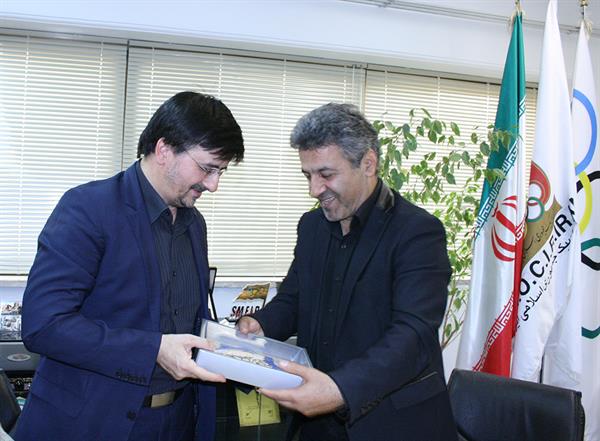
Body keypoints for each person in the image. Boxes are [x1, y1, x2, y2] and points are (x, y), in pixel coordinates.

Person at [15, 91, 244, 441]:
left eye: (221, 171)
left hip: (178, 421)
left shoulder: (194, 224)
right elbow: (43, 325)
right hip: (93, 423)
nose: (213, 185)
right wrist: (153, 350)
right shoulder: (88, 208)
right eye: (207, 168)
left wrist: (238, 348)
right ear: (164, 149)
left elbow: (185, 320)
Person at [238, 103, 457, 441]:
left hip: (392, 424)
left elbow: (412, 335)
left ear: (368, 163)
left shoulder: (417, 231)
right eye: (308, 176)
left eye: (326, 174)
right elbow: (294, 299)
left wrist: (340, 388)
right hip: (317, 422)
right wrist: (261, 325)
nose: (314, 189)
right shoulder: (311, 226)